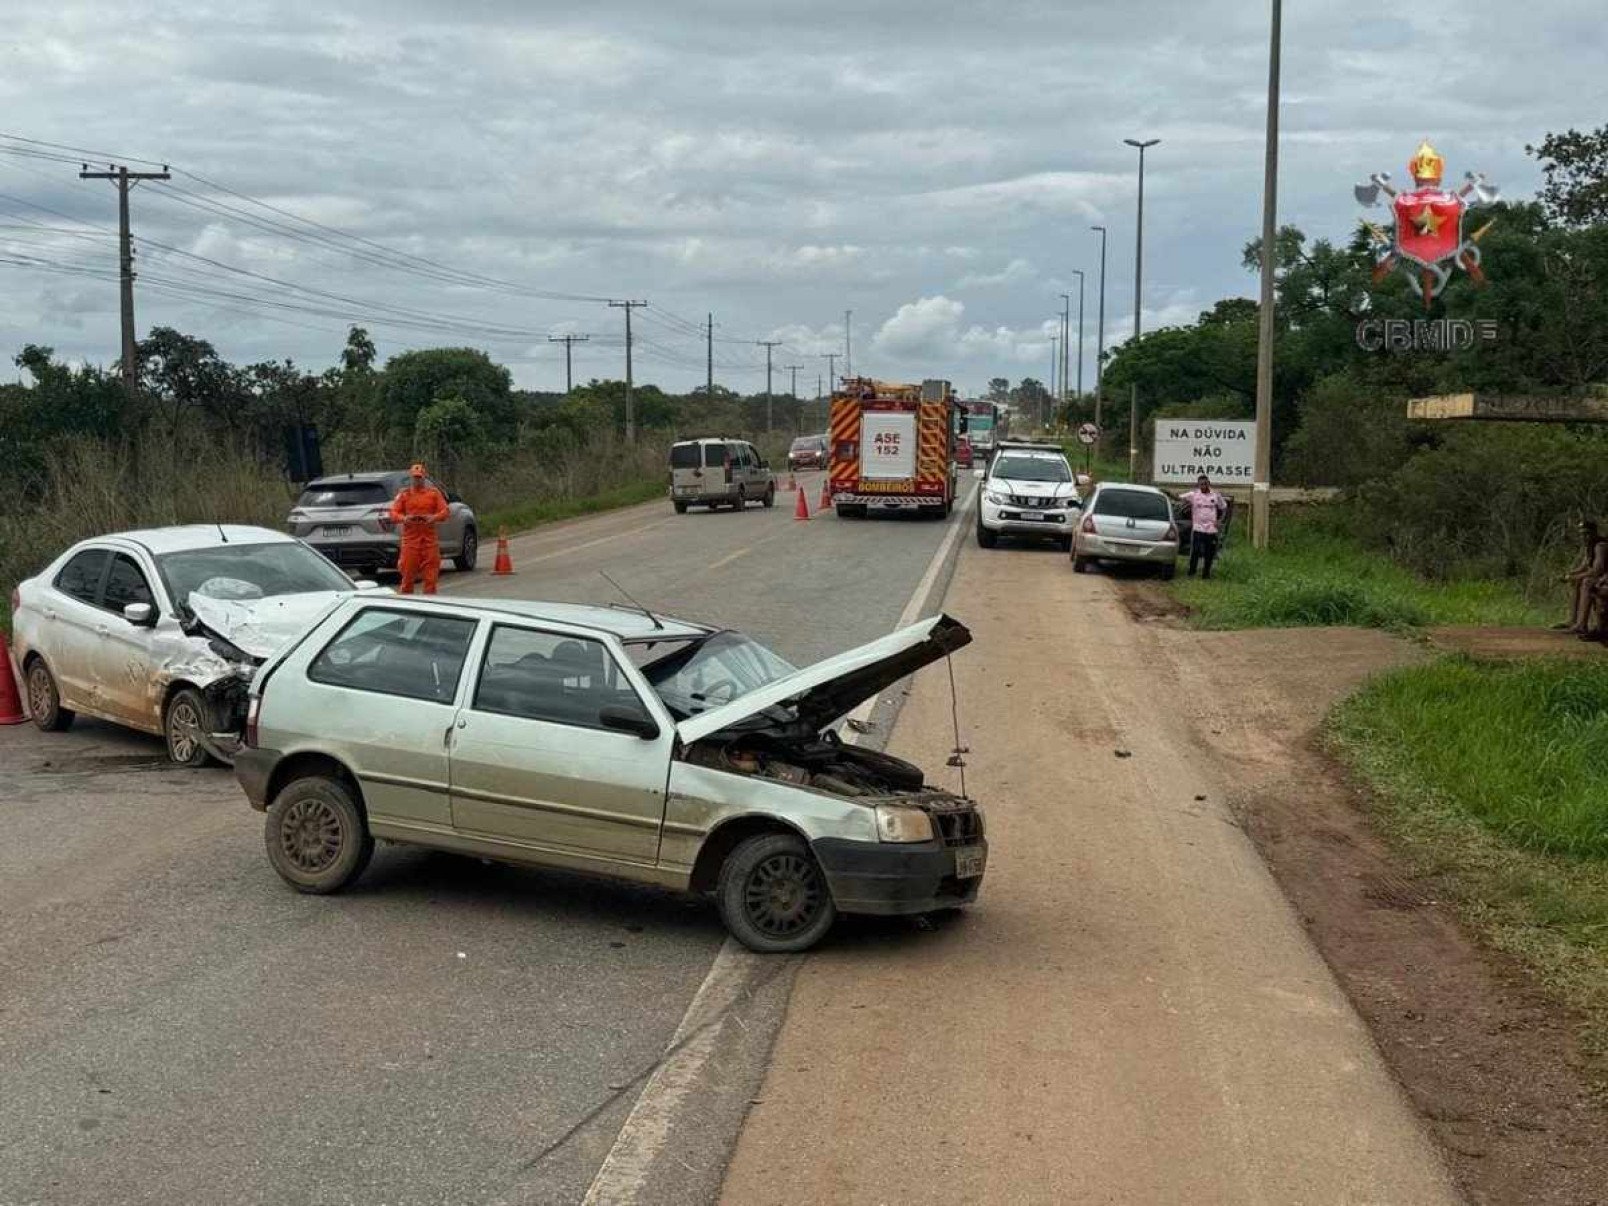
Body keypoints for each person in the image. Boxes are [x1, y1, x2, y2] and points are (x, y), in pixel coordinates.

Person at [389, 463, 451, 595]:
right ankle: (407, 606)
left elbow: (445, 511)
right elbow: (393, 513)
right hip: (410, 542)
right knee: (407, 577)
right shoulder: (404, 495)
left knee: (431, 579)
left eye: (420, 477)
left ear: (424, 478)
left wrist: (433, 518)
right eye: (415, 477)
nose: (417, 480)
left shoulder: (433, 493)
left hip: (429, 541)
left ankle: (429, 605)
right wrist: (404, 519)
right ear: (411, 478)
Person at [1560, 519, 1608, 635]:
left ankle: (1581, 625)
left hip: (1604, 579)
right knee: (1579, 581)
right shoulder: (1589, 546)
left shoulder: (1600, 546)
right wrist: (1570, 574)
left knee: (1586, 582)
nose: (1584, 537)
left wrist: (1576, 577)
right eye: (1582, 534)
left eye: (1587, 533)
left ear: (1594, 532)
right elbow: (1585, 566)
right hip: (1601, 578)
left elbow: (1598, 570)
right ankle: (1573, 621)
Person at [1180, 474, 1229, 579]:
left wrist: (1220, 521)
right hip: (1198, 528)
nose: (1203, 486)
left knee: (1209, 553)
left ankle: (1206, 574)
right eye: (1201, 484)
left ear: (1209, 484)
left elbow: (1224, 507)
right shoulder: (1193, 495)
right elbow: (1179, 497)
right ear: (1198, 485)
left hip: (1211, 529)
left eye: (1205, 484)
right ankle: (1191, 573)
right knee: (1195, 551)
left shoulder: (1215, 495)